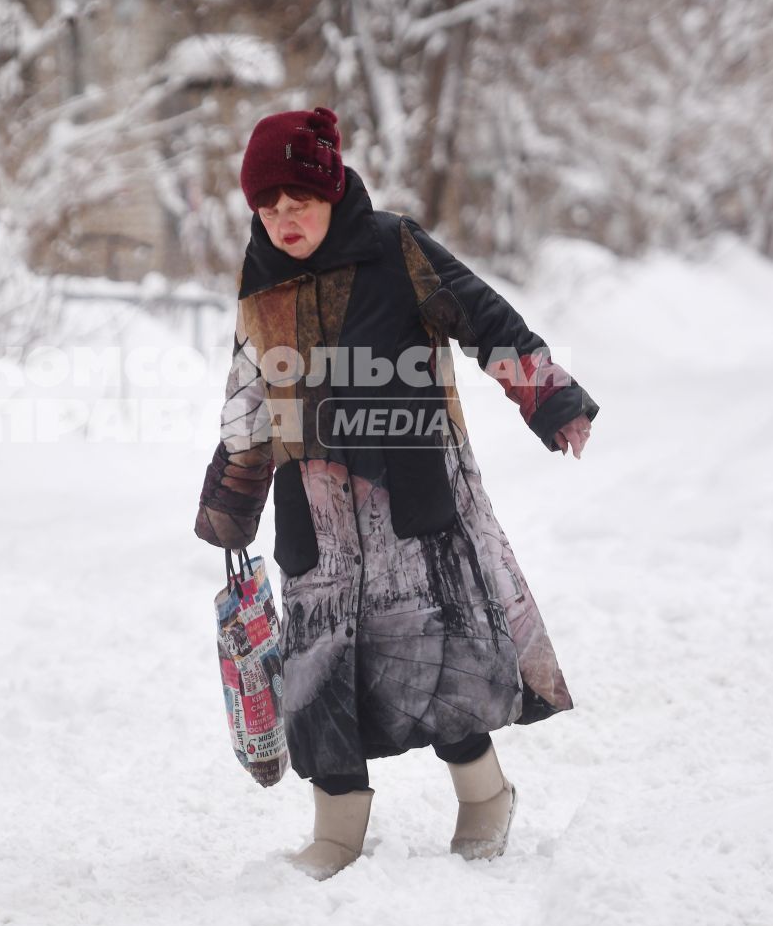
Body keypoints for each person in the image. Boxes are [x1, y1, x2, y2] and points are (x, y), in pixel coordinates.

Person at [193, 106, 596, 880]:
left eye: (297, 203)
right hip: (315, 516)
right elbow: (249, 394)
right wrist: (231, 504)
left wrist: (553, 399)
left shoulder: (394, 248)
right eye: (267, 208)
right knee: (320, 673)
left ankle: (485, 798)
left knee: (439, 665)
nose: (284, 220)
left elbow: (486, 320)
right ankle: (337, 833)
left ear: (331, 190)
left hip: (411, 507)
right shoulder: (261, 281)